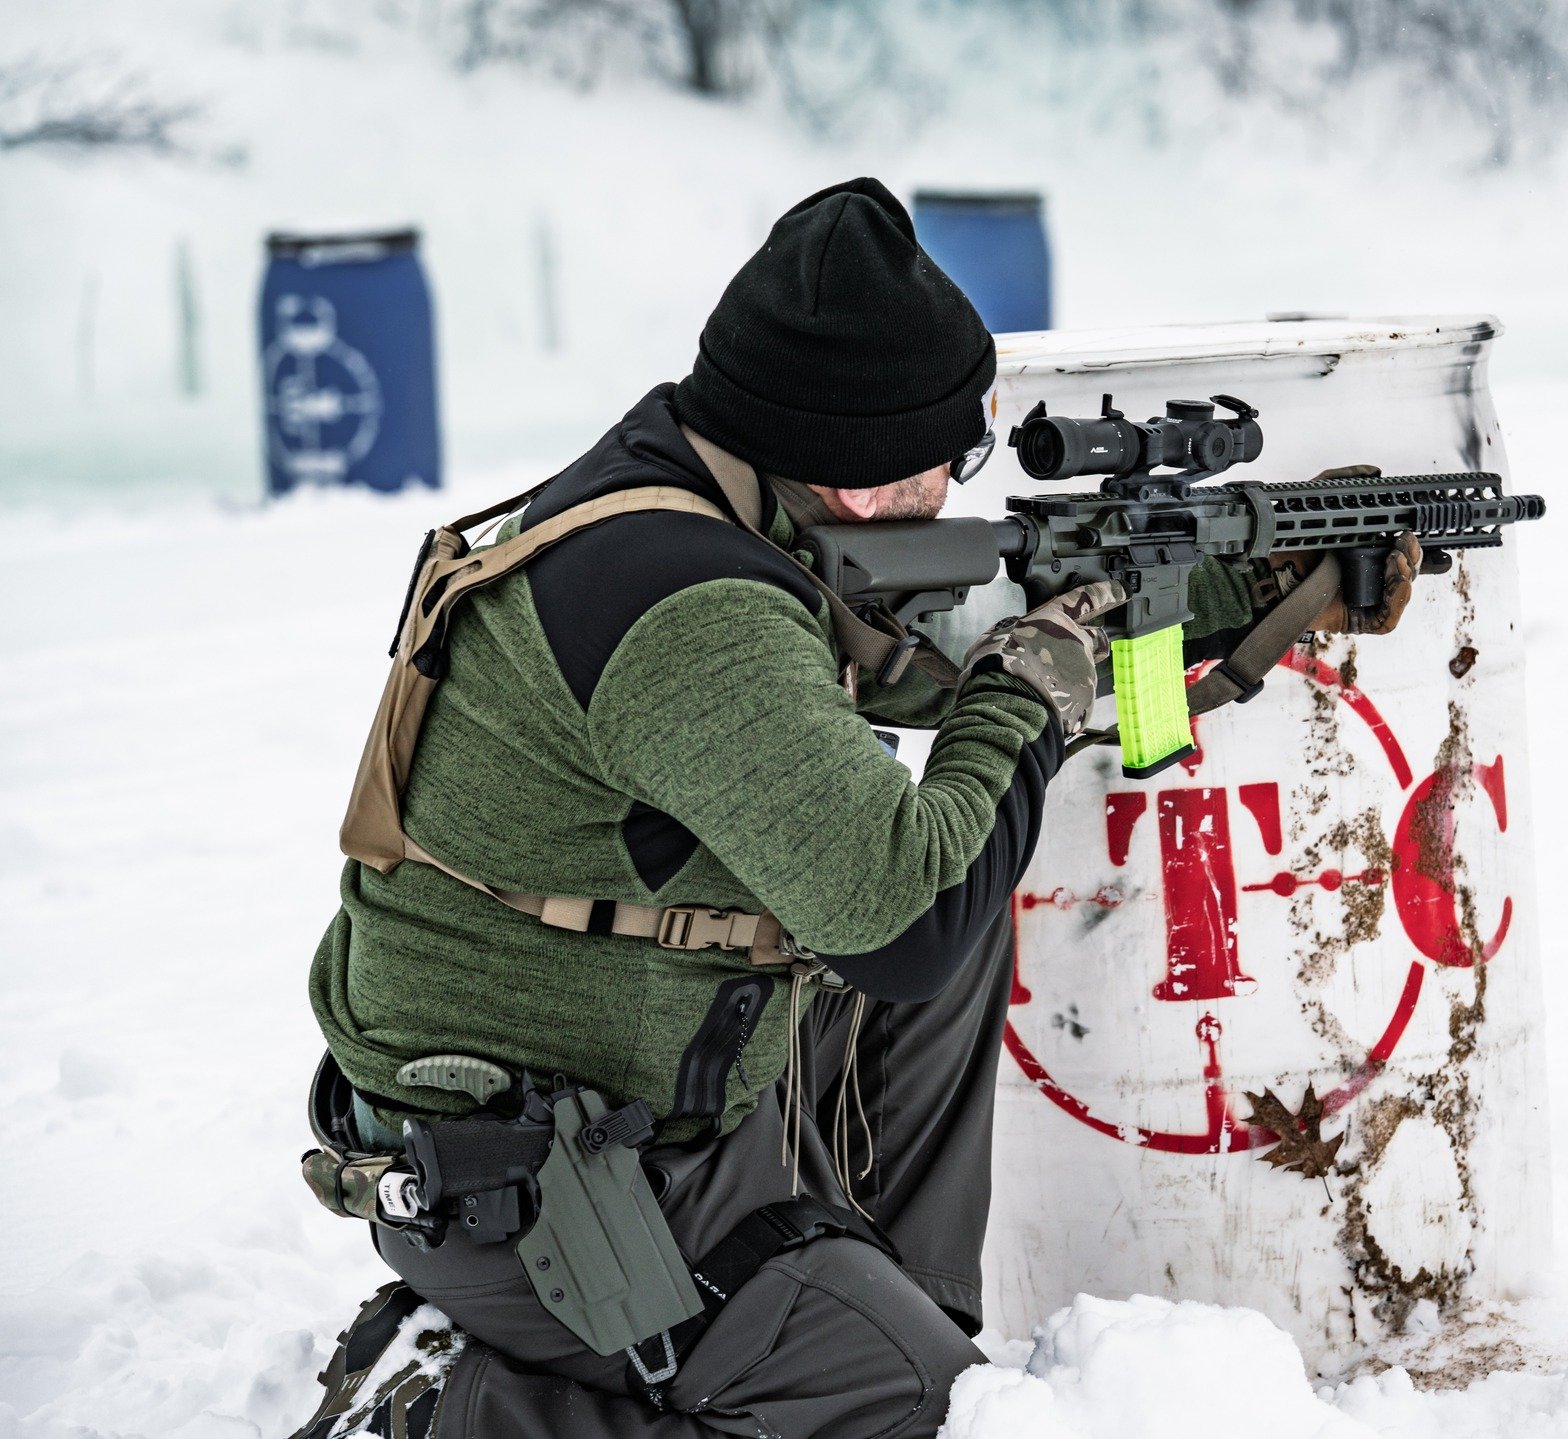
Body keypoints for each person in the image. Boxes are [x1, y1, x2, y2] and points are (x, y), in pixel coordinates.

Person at [290, 177, 1420, 1439]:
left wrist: (1226, 586)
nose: (960, 481)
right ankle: (445, 1407)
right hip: (541, 1178)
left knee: (962, 864)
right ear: (868, 483)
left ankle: (896, 1312)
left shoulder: (693, 490)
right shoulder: (688, 608)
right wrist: (1026, 691)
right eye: (954, 455)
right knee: (915, 1418)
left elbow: (917, 657)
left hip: (618, 1080)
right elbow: (909, 915)